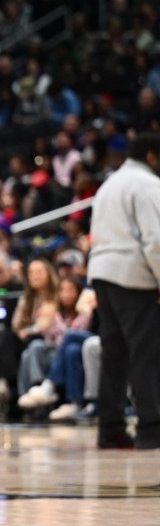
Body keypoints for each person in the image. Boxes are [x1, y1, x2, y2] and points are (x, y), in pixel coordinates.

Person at [88, 133, 160, 449]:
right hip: (132, 276)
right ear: (152, 157)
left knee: (114, 355)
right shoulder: (147, 185)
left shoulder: (109, 184)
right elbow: (156, 241)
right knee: (147, 353)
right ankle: (151, 428)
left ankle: (111, 429)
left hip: (101, 273)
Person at [15, 270, 90, 402]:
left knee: (70, 344)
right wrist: (42, 321)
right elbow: (46, 334)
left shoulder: (84, 312)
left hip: (74, 353)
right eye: (62, 290)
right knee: (33, 348)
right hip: (54, 352)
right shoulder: (55, 312)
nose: (66, 294)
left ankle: (48, 386)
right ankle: (34, 390)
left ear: (78, 292)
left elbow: (76, 332)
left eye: (70, 290)